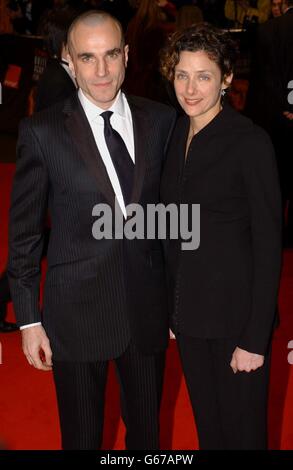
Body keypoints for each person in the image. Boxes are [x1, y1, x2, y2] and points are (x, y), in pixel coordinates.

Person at [8, 10, 176, 450]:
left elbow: (173, 220)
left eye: (109, 56)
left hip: (146, 311)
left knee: (147, 437)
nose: (101, 71)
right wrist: (28, 319)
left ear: (126, 56)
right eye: (87, 57)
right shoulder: (42, 132)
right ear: (68, 61)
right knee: (82, 438)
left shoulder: (161, 122)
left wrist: (177, 300)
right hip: (76, 313)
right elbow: (24, 233)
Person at [160, 23, 282, 449]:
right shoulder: (173, 135)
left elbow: (269, 247)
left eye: (204, 76)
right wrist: (171, 311)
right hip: (190, 320)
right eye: (182, 75)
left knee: (244, 437)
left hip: (236, 323)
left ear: (227, 78)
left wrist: (254, 337)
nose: (190, 88)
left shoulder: (250, 143)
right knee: (210, 434)